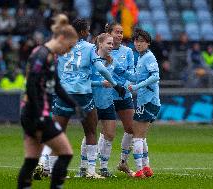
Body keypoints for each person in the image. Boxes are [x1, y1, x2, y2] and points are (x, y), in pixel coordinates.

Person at [52, 18, 126, 178]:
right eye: (87, 30)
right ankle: (91, 171)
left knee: (57, 132)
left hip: (63, 92)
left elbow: (57, 69)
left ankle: (52, 170)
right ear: (83, 32)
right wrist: (116, 85)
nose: (89, 32)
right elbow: (101, 68)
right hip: (82, 93)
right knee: (91, 131)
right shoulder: (89, 47)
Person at [17, 14, 80, 189]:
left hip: (31, 114)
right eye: (69, 46)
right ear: (61, 38)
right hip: (36, 114)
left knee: (31, 161)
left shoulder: (50, 56)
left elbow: (57, 86)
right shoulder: (41, 54)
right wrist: (40, 115)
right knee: (66, 153)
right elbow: (31, 85)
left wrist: (74, 105)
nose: (68, 51)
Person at [128, 28, 161, 178]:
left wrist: (137, 87)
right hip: (145, 100)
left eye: (141, 41)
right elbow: (136, 77)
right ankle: (146, 168)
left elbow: (155, 76)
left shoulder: (149, 57)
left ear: (147, 43)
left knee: (137, 135)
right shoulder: (141, 57)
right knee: (141, 135)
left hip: (148, 100)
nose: (138, 44)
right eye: (136, 41)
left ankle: (139, 170)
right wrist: (121, 75)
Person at [104, 22, 135, 176]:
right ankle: (100, 165)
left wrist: (127, 86)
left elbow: (131, 72)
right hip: (107, 95)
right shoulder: (102, 51)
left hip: (124, 95)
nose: (120, 35)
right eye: (117, 32)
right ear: (109, 33)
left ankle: (123, 162)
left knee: (131, 129)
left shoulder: (128, 51)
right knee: (106, 132)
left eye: (122, 32)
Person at [91, 33, 117, 177]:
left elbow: (121, 75)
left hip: (107, 103)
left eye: (112, 44)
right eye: (108, 43)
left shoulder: (112, 61)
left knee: (110, 134)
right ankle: (86, 168)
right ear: (100, 44)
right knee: (90, 135)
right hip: (93, 103)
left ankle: (104, 168)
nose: (111, 46)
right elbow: (85, 82)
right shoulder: (92, 60)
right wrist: (100, 83)